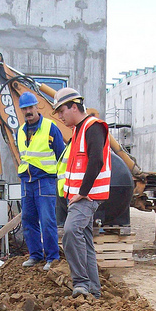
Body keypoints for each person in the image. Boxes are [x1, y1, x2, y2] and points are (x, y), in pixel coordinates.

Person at [52, 87, 111, 298]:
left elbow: (96, 160)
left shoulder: (92, 127)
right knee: (84, 240)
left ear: (74, 107)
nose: (60, 116)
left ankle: (81, 283)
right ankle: (94, 290)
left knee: (71, 231)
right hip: (77, 196)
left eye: (62, 111)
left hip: (87, 195)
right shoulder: (79, 130)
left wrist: (83, 191)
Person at [17, 91, 65, 271]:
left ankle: (52, 257)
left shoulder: (50, 128)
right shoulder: (20, 132)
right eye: (24, 109)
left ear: (37, 107)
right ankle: (36, 255)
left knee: (47, 220)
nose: (28, 111)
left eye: (30, 107)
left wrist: (61, 182)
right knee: (28, 219)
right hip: (27, 180)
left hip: (45, 180)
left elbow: (61, 156)